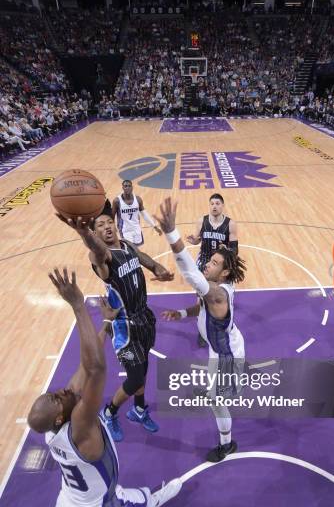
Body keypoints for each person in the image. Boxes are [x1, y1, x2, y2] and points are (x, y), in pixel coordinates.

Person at [28, 268, 181, 507]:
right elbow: (96, 368)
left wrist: (108, 325)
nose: (61, 392)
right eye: (57, 398)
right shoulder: (80, 424)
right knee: (143, 499)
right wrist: (79, 307)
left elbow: (84, 368)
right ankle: (159, 497)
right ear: (60, 416)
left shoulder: (54, 428)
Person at [58, 202, 174, 441]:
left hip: (144, 319)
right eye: (100, 225)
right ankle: (109, 412)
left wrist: (157, 267)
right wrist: (83, 233)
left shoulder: (127, 246)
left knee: (143, 369)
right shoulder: (102, 257)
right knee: (135, 378)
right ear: (95, 232)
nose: (107, 227)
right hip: (124, 327)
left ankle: (139, 409)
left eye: (109, 222)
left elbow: (144, 258)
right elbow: (98, 252)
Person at [156, 198, 247, 463]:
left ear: (225, 272)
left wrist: (172, 233)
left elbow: (190, 272)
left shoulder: (217, 292)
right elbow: (203, 307)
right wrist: (183, 313)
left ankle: (227, 444)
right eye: (210, 261)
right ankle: (214, 391)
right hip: (220, 346)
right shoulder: (216, 293)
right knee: (213, 393)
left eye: (215, 263)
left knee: (217, 401)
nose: (208, 264)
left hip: (227, 354)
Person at [186, 193, 238, 347]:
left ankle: (224, 324)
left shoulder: (231, 224)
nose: (214, 206)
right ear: (209, 206)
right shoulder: (202, 221)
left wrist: (227, 249)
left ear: (222, 206)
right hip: (204, 262)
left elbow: (235, 249)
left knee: (224, 295)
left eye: (217, 203)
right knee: (201, 297)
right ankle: (202, 332)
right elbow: (197, 239)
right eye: (212, 203)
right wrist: (194, 240)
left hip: (221, 264)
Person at [112, 180, 162, 246]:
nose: (127, 188)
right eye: (125, 186)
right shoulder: (117, 201)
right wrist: (113, 228)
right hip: (125, 230)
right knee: (130, 249)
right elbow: (112, 216)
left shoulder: (138, 199)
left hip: (136, 228)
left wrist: (154, 226)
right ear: (122, 188)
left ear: (132, 187)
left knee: (137, 250)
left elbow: (144, 214)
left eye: (129, 186)